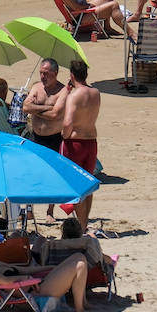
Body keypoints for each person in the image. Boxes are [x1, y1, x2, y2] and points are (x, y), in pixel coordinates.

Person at [0, 241, 90, 312]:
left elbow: (24, 270)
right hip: (38, 291)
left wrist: (49, 267)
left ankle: (84, 303)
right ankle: (79, 309)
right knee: (79, 264)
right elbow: (5, 281)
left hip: (38, 284)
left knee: (79, 256)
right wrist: (25, 278)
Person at [60, 59, 100, 227]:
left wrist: (64, 135)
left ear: (71, 75)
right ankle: (84, 223)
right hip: (91, 140)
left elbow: (68, 122)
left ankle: (81, 226)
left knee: (75, 185)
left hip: (75, 142)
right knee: (88, 184)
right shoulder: (96, 93)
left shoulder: (73, 96)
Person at [49, 0, 130, 37]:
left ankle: (107, 28)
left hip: (82, 10)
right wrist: (89, 6)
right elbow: (77, 8)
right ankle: (131, 33)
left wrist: (87, 5)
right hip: (81, 16)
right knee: (114, 5)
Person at [22, 58, 66, 153]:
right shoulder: (37, 87)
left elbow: (54, 115)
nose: (42, 76)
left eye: (45, 73)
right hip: (35, 137)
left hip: (54, 140)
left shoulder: (63, 91)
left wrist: (33, 109)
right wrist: (47, 108)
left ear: (55, 73)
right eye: (40, 73)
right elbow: (25, 107)